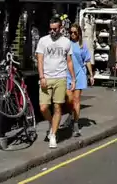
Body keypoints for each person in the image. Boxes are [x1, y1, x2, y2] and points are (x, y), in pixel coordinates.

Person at [36, 16, 76, 149]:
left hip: (61, 77)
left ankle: (53, 134)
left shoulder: (66, 42)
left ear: (60, 28)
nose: (52, 31)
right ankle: (51, 122)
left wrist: (73, 78)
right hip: (46, 77)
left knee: (58, 107)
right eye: (50, 29)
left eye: (55, 29)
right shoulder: (43, 41)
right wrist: (41, 77)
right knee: (43, 107)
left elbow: (69, 61)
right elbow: (40, 60)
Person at [66, 25, 93, 138]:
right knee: (69, 99)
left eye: (75, 33)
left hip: (80, 74)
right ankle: (71, 115)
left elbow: (87, 60)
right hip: (67, 74)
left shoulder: (82, 45)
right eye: (71, 32)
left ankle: (75, 124)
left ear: (79, 34)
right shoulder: (66, 44)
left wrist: (91, 75)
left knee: (76, 100)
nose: (72, 34)